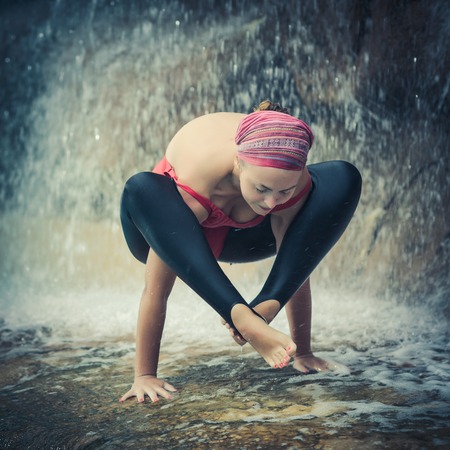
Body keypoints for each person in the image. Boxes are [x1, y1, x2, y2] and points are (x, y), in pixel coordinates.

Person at [119, 100, 362, 403]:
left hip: (244, 238)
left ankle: (262, 310)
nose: (272, 202)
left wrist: (303, 351)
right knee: (143, 187)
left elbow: (298, 261)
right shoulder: (198, 172)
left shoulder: (292, 181)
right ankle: (241, 317)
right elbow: (155, 290)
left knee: (341, 177)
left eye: (283, 192)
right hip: (168, 233)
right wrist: (144, 375)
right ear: (238, 163)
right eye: (262, 188)